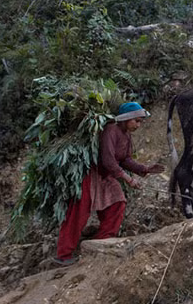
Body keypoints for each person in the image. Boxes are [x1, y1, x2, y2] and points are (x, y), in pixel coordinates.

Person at [53, 101, 165, 265]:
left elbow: (125, 159)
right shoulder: (110, 130)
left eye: (140, 122)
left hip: (106, 176)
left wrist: (144, 169)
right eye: (137, 121)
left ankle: (101, 243)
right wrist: (128, 179)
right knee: (79, 213)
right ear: (126, 119)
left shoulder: (126, 135)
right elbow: (108, 160)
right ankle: (63, 255)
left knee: (118, 203)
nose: (139, 125)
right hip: (91, 174)